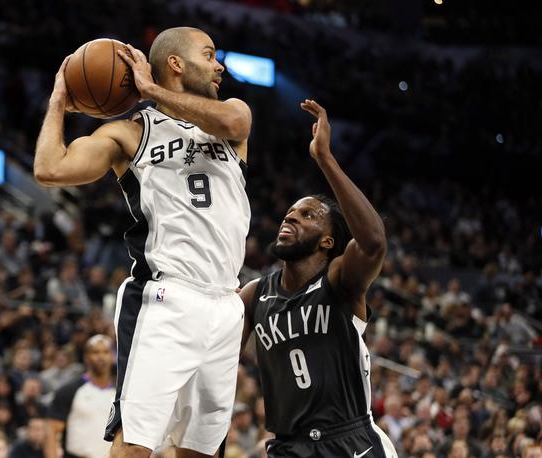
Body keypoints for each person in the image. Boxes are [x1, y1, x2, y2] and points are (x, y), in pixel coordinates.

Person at [34, 26, 251, 458]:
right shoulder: (128, 134)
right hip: (166, 295)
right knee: (135, 443)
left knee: (202, 449)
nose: (218, 65)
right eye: (208, 54)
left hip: (226, 304)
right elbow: (50, 169)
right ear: (176, 63)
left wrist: (151, 88)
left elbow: (234, 121)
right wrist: (59, 98)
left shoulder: (231, 116)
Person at [239, 99, 397, 457]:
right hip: (288, 446)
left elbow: (373, 242)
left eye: (307, 214)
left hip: (350, 440)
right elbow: (218, 359)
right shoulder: (254, 295)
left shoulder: (340, 280)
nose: (290, 218)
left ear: (328, 240)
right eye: (290, 212)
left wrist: (325, 159)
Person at [45, 335, 115, 458]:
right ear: (86, 357)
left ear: (112, 356)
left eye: (105, 352)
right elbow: (51, 432)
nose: (101, 357)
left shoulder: (119, 394)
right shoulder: (69, 391)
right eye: (95, 352)